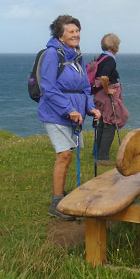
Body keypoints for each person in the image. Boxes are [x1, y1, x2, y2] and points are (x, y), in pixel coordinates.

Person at [38, 15, 101, 220]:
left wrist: (90, 107)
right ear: (60, 35)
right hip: (55, 113)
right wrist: (68, 109)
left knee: (69, 155)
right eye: (71, 32)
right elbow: (48, 87)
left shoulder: (76, 55)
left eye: (77, 31)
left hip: (74, 115)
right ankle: (56, 203)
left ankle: (62, 195)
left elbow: (84, 86)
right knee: (64, 155)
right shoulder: (51, 54)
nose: (76, 35)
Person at [92, 34, 129, 165]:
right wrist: (108, 90)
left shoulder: (100, 57)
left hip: (98, 95)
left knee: (103, 122)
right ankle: (102, 157)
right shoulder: (110, 60)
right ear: (115, 47)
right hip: (106, 96)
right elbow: (104, 77)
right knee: (111, 122)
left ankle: (96, 153)